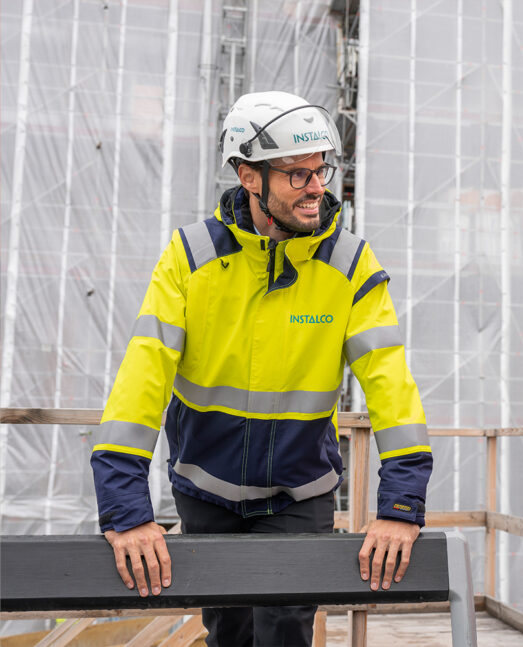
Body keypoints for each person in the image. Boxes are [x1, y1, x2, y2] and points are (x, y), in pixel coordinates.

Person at [90, 90, 433, 647]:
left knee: (286, 631)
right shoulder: (191, 257)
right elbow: (141, 382)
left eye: (322, 169)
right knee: (228, 631)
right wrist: (126, 507)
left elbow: (392, 389)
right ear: (249, 177)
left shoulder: (349, 265)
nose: (317, 187)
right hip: (206, 489)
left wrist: (400, 504)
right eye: (297, 174)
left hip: (300, 491)